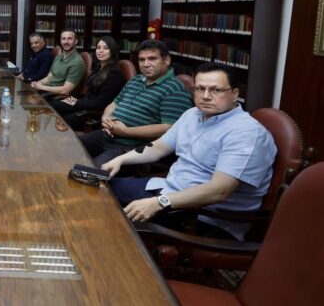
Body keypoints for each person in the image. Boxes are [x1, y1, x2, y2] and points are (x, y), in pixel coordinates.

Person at [103, 63, 276, 241]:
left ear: (235, 94)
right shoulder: (192, 114)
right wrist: (120, 160)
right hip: (169, 190)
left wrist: (160, 202)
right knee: (101, 188)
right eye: (200, 89)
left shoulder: (246, 133)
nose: (205, 96)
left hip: (203, 216)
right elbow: (159, 147)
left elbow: (219, 191)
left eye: (216, 90)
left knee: (112, 224)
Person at [79, 40, 193, 166]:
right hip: (108, 135)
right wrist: (106, 118)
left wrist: (125, 131)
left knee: (91, 172)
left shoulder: (175, 89)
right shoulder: (135, 80)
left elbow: (169, 129)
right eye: (141, 60)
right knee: (68, 146)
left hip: (132, 148)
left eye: (152, 59)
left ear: (166, 60)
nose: (146, 64)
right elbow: (114, 104)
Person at [50, 36, 125, 130]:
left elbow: (101, 103)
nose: (100, 51)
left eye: (105, 48)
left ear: (112, 51)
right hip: (85, 105)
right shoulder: (98, 67)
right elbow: (90, 93)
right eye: (98, 48)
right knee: (54, 104)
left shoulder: (114, 73)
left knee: (62, 118)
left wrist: (77, 103)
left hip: (93, 113)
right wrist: (75, 100)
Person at [30, 29, 86, 97]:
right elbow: (49, 77)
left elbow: (66, 90)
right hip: (48, 92)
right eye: (63, 39)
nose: (66, 42)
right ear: (60, 41)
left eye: (69, 39)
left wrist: (41, 87)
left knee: (28, 100)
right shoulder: (59, 57)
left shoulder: (77, 63)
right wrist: (37, 84)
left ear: (76, 41)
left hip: (58, 97)